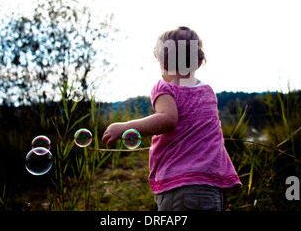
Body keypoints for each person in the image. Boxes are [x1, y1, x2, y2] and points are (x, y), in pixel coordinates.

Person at [102, 26, 241, 211]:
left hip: (180, 186)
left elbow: (167, 119)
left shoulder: (165, 87)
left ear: (164, 64)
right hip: (213, 184)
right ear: (199, 62)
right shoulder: (207, 92)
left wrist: (124, 127)